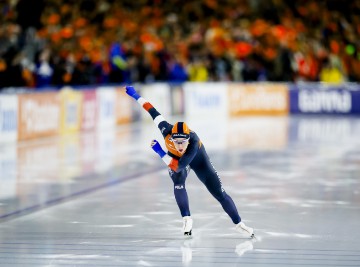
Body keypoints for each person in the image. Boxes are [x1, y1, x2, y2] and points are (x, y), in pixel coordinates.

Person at [125, 85, 254, 238]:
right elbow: (151, 110)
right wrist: (135, 95)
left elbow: (177, 166)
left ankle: (239, 224)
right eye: (176, 141)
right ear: (171, 136)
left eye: (183, 142)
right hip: (177, 161)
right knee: (178, 181)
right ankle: (186, 218)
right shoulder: (165, 129)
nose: (180, 146)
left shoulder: (193, 142)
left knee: (219, 193)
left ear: (188, 139)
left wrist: (160, 151)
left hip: (199, 161)